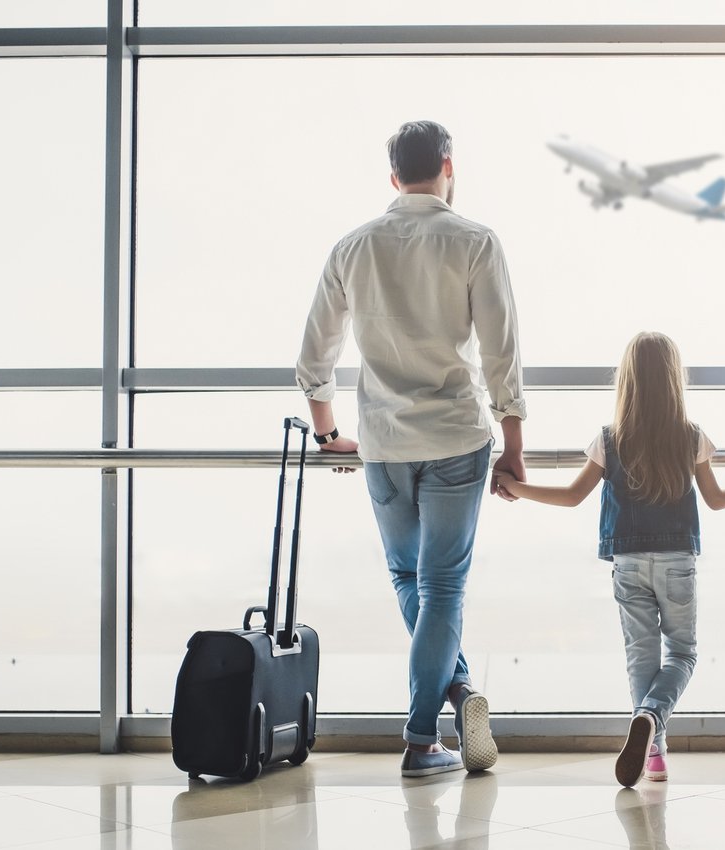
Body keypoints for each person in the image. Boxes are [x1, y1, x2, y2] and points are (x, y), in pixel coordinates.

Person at [295, 120, 527, 778]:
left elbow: (314, 358)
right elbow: (501, 353)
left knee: (411, 580)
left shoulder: (353, 247)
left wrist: (325, 433)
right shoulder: (476, 240)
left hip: (384, 445)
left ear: (393, 176)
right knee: (444, 585)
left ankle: (451, 697)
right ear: (448, 166)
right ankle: (423, 733)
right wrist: (514, 445)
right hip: (457, 436)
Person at [495, 332, 725, 787]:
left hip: (628, 561)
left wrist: (516, 488)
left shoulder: (610, 439)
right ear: (674, 380)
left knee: (642, 658)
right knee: (682, 654)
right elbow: (715, 500)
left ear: (628, 382)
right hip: (677, 561)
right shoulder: (691, 436)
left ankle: (654, 754)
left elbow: (573, 496)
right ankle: (652, 719)